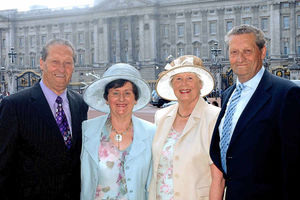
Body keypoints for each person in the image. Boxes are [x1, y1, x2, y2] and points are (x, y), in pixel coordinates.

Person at [210, 24, 300, 200]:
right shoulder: (229, 94)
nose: (240, 58)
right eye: (234, 52)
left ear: (263, 52)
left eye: (247, 51)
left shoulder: (286, 94)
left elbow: (295, 165)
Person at [0, 38, 89, 200]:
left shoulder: (80, 104)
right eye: (55, 61)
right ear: (42, 63)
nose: (62, 69)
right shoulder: (14, 106)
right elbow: (3, 167)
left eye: (67, 63)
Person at [148, 55, 223, 200]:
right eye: (178, 79)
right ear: (172, 85)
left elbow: (218, 179)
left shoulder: (215, 117)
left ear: (200, 84)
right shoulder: (161, 116)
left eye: (190, 78)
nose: (184, 84)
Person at [80, 63, 156, 200]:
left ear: (135, 99)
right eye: (115, 93)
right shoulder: (87, 129)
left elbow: (153, 181)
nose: (121, 99)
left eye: (127, 93)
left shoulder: (151, 132)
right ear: (107, 98)